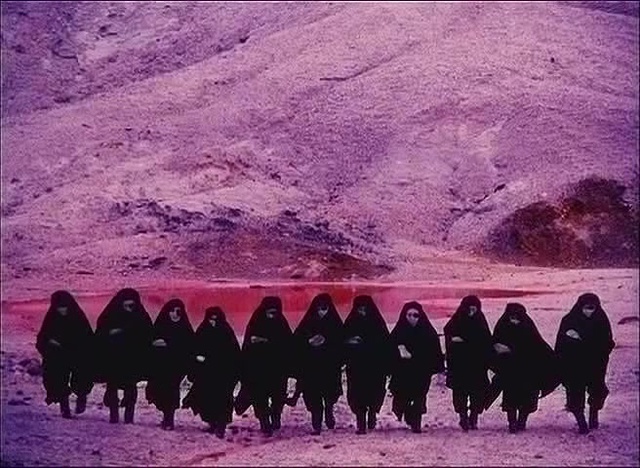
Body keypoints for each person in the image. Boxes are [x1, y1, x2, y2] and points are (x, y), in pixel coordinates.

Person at [490, 303, 560, 433]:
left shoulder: (528, 327)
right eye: (512, 317)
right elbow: (495, 344)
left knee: (526, 400)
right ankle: (512, 423)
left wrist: (511, 349)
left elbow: (537, 347)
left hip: (528, 371)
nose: (514, 320)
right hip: (510, 370)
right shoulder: (502, 326)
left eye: (517, 317)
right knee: (510, 399)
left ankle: (522, 422)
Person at [555, 293, 615, 434]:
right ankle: (581, 422)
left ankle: (594, 415)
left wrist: (586, 341)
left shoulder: (601, 320)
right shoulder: (569, 320)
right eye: (587, 307)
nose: (589, 311)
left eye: (592, 308)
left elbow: (608, 342)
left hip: (595, 363)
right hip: (574, 364)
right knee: (575, 393)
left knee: (597, 390)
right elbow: (561, 344)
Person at [236, 296, 294, 436]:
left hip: (277, 369)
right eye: (269, 312)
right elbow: (247, 346)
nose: (272, 315)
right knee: (259, 397)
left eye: (274, 312)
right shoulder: (256, 322)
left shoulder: (281, 323)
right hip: (258, 369)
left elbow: (289, 344)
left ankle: (276, 416)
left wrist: (269, 342)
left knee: (278, 397)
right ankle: (264, 421)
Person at [94, 288, 153, 424]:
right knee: (112, 387)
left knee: (130, 388)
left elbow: (148, 334)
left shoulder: (140, 316)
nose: (129, 307)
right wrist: (111, 333)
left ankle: (129, 417)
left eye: (131, 305)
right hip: (113, 359)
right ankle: (113, 415)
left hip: (132, 360)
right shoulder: (109, 315)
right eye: (126, 304)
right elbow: (100, 335)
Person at [182, 307, 241, 438]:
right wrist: (197, 359)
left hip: (223, 374)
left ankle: (221, 426)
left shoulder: (226, 332)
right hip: (207, 375)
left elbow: (233, 354)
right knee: (207, 400)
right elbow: (195, 349)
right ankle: (213, 423)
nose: (213, 322)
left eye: (216, 319)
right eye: (210, 319)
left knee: (223, 401)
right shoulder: (203, 330)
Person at [290, 293, 344, 435]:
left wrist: (327, 342)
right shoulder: (308, 321)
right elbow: (296, 341)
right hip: (311, 367)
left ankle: (329, 411)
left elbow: (341, 342)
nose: (321, 311)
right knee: (313, 397)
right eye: (319, 308)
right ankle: (317, 425)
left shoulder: (335, 322)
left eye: (324, 308)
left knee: (329, 396)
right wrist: (309, 342)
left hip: (329, 367)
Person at [36, 290, 94, 418]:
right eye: (59, 307)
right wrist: (51, 343)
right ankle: (64, 408)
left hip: (78, 354)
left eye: (64, 307)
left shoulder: (78, 318)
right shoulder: (51, 318)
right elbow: (43, 338)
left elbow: (88, 338)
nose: (62, 310)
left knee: (81, 379)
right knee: (58, 380)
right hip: (59, 355)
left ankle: (81, 397)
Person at [389, 301, 445, 433]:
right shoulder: (398, 331)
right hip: (403, 373)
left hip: (421, 372)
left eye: (415, 315)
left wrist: (416, 356)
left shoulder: (428, 332)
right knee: (402, 397)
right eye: (409, 315)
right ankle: (408, 414)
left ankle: (416, 423)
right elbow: (389, 349)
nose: (412, 318)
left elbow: (434, 352)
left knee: (419, 396)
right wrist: (399, 350)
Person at [343, 295, 392, 434]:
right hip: (356, 366)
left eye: (365, 309)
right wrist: (349, 341)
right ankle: (361, 424)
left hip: (375, 367)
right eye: (360, 309)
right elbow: (341, 341)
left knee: (374, 393)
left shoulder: (378, 323)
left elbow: (386, 344)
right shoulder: (351, 322)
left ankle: (372, 413)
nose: (362, 312)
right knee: (357, 395)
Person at [443, 295, 493, 431]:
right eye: (469, 309)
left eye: (474, 309)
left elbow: (486, 340)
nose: (471, 312)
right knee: (460, 393)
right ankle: (463, 417)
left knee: (477, 394)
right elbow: (448, 332)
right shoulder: (457, 319)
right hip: (460, 365)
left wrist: (465, 340)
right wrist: (454, 341)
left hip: (477, 365)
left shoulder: (480, 321)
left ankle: (474, 417)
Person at [145, 299, 194, 430]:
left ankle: (169, 420)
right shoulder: (161, 324)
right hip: (160, 367)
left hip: (176, 367)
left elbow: (190, 346)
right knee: (160, 392)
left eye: (177, 311)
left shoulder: (184, 327)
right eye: (172, 311)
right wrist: (156, 344)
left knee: (171, 393)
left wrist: (169, 344)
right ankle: (167, 418)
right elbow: (150, 342)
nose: (174, 314)